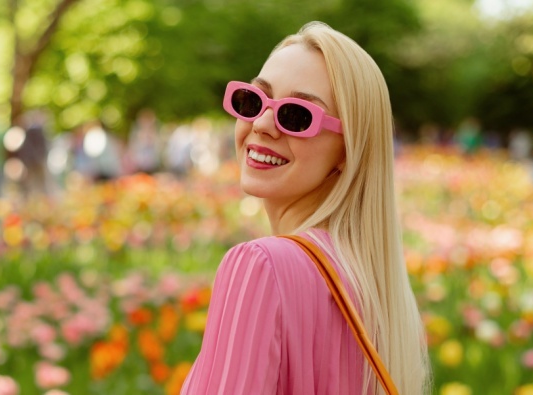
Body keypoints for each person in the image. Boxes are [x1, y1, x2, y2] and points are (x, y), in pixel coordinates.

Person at [181, 22, 430, 395]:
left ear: (348, 152)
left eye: (296, 115)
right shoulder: (374, 292)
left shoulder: (259, 265)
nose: (262, 123)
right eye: (252, 101)